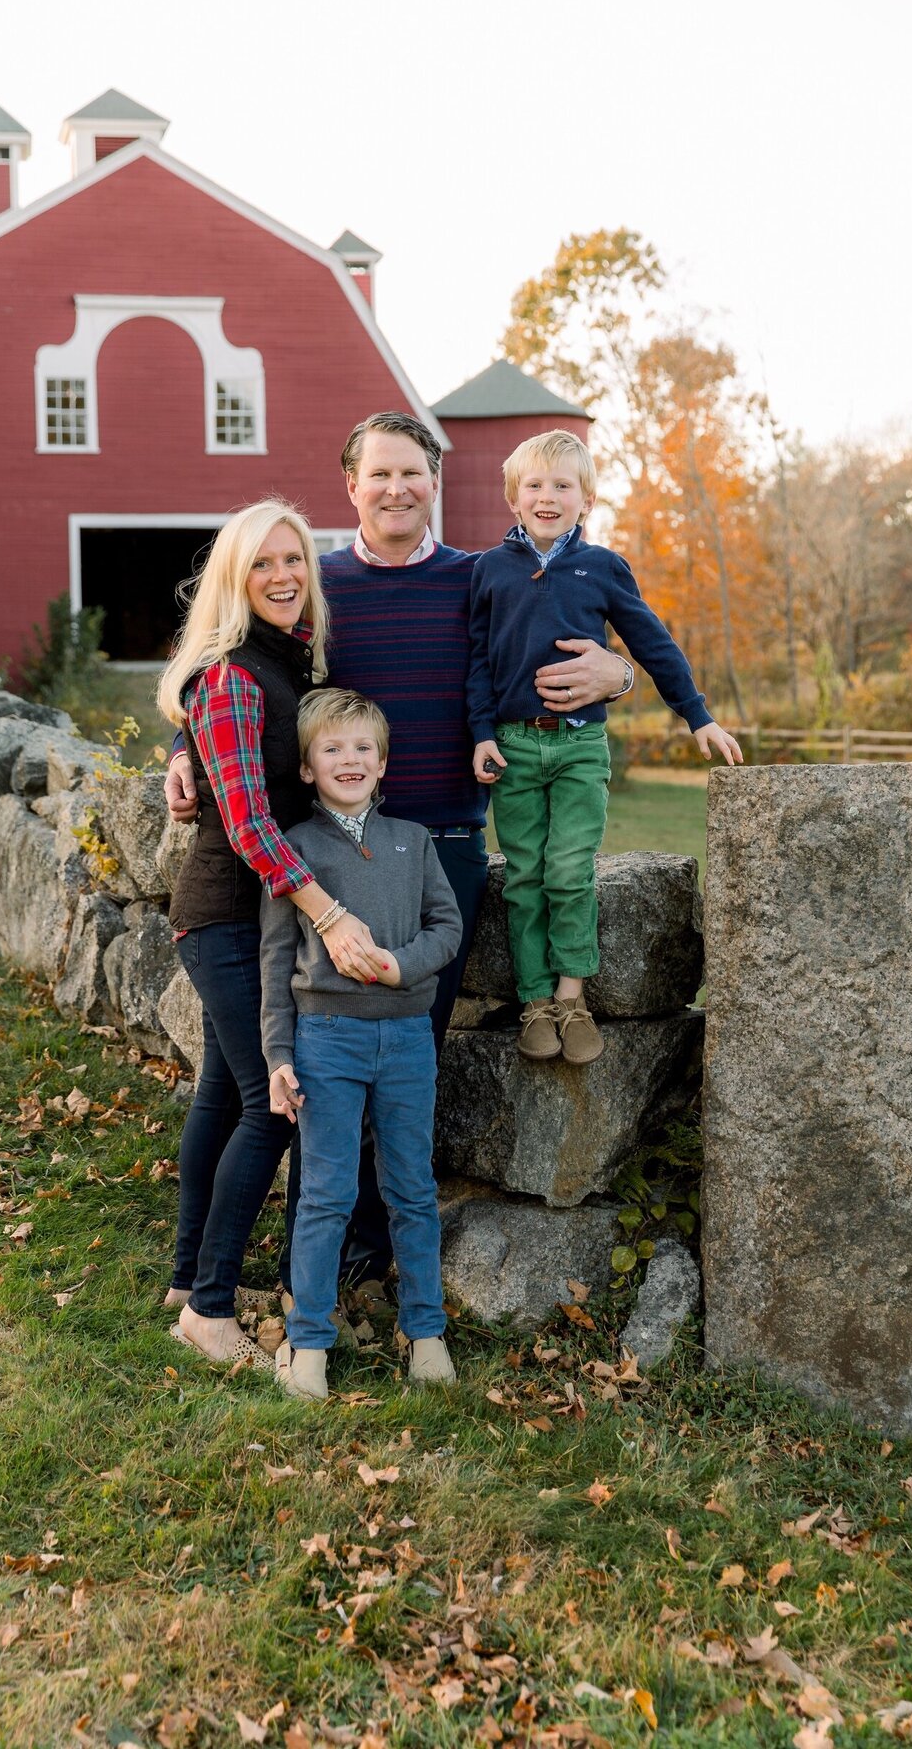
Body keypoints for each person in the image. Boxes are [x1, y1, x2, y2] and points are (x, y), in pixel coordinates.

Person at [164, 414, 633, 1301]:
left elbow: (580, 627)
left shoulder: (480, 578)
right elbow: (226, 686)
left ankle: (370, 1265)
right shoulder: (313, 589)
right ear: (351, 485)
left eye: (413, 473)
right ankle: (318, 1271)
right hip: (329, 858)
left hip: (442, 851)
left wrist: (621, 676)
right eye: (379, 474)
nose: (396, 489)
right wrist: (179, 753)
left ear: (436, 482)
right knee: (323, 1068)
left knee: (406, 1063)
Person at [156, 499, 385, 1369]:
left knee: (223, 1091)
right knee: (274, 1106)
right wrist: (328, 912)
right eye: (263, 564)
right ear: (234, 579)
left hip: (255, 920)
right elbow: (250, 825)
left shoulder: (284, 663)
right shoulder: (233, 675)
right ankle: (211, 1311)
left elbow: (214, 752)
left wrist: (181, 751)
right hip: (224, 917)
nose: (284, 576)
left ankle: (188, 1277)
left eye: (295, 560)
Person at [468, 429, 742, 1064]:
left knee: (569, 870)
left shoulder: (603, 568)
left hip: (580, 746)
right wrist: (482, 731)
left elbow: (652, 644)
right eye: (534, 485)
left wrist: (696, 715)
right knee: (525, 875)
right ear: (513, 497)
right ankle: (534, 999)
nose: (547, 496)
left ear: (585, 498)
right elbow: (476, 663)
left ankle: (572, 994)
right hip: (513, 746)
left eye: (563, 485)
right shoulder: (490, 571)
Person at [260, 688, 462, 1401]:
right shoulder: (295, 852)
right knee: (325, 1193)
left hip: (407, 1037)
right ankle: (309, 1339)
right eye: (332, 748)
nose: (350, 759)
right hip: (327, 1040)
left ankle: (426, 1330)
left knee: (411, 1187)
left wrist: (403, 964)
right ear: (308, 768)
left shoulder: (415, 839)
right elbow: (276, 964)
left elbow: (448, 925)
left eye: (363, 748)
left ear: (382, 763)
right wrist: (279, 1057)